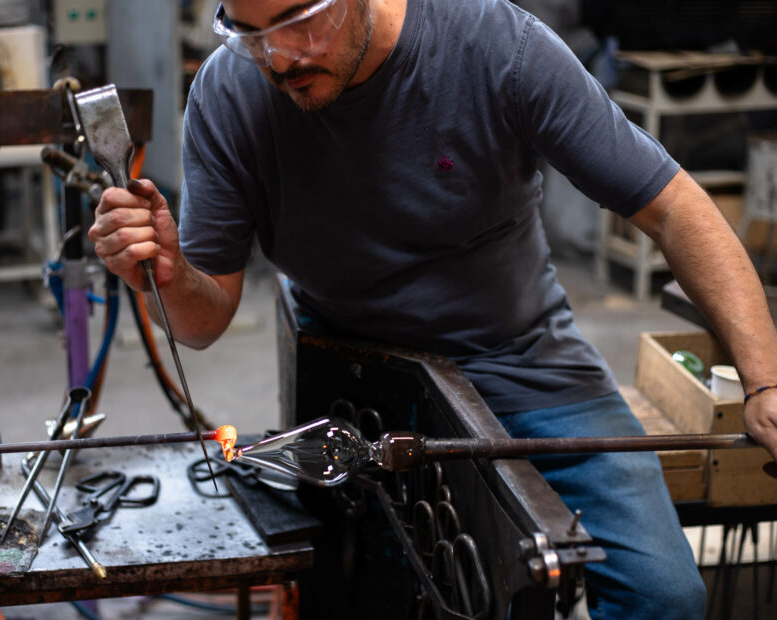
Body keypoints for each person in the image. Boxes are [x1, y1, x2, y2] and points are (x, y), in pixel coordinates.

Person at [89, 0, 777, 617]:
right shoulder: (230, 93)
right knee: (385, 591)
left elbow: (674, 208)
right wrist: (168, 278)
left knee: (664, 594)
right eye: (250, 33)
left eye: (300, 20)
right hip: (354, 371)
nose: (280, 58)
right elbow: (203, 324)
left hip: (521, 358)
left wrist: (765, 380)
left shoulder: (498, 49)